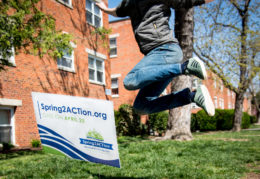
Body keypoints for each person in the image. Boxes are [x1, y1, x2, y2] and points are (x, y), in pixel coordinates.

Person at [96, 0, 215, 116]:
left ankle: (186, 67)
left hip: (166, 50)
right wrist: (105, 9)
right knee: (141, 106)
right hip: (157, 58)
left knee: (130, 81)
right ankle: (193, 96)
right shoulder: (128, 3)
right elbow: (117, 11)